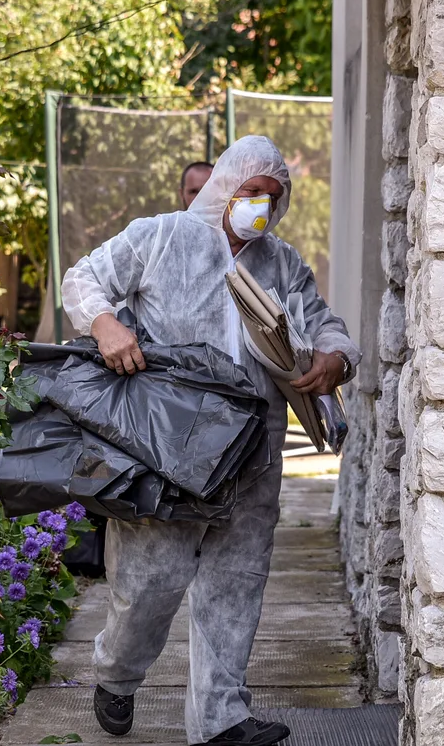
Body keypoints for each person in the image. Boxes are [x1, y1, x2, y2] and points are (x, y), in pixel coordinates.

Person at [61, 136, 360, 746]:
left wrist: (336, 358)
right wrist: (105, 324)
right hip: (169, 444)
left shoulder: (281, 262)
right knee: (150, 581)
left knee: (237, 580)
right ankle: (116, 673)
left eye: (272, 197)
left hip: (254, 449)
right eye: (251, 191)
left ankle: (221, 719)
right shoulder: (162, 237)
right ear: (225, 186)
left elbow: (324, 322)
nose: (260, 206)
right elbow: (84, 277)